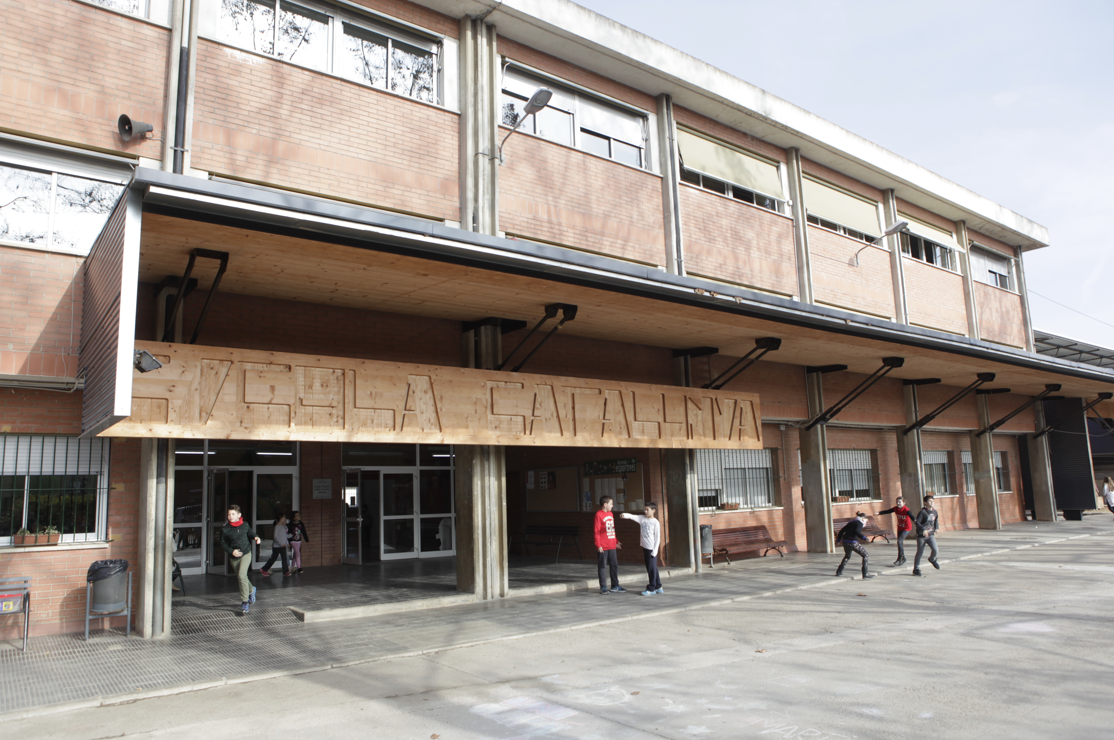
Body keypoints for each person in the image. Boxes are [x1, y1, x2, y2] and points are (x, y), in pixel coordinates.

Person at [220, 504, 260, 614]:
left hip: (246, 553)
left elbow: (250, 533)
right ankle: (252, 590)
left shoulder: (245, 525)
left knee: (242, 575)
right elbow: (223, 544)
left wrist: (256, 537)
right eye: (229, 514)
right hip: (234, 557)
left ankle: (245, 602)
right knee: (241, 577)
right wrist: (232, 551)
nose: (230, 516)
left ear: (239, 515)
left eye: (233, 514)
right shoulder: (225, 529)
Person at [621, 502, 662, 596]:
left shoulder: (655, 522)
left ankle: (652, 588)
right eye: (645, 509)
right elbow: (632, 516)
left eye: (648, 509)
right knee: (652, 568)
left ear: (653, 510)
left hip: (652, 549)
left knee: (651, 569)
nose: (645, 511)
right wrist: (624, 515)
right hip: (645, 547)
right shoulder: (642, 518)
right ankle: (658, 586)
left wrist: (655, 550)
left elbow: (658, 538)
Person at [594, 495, 625, 594]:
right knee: (602, 566)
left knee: (614, 565)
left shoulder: (611, 514)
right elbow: (597, 531)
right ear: (605, 504)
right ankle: (603, 586)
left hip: (611, 545)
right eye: (611, 504)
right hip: (603, 546)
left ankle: (615, 585)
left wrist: (615, 541)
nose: (612, 506)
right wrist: (598, 545)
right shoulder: (598, 515)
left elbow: (612, 529)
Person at [835, 511, 875, 579]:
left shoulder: (851, 522)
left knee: (847, 556)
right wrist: (864, 538)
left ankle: (839, 571)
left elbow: (842, 530)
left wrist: (838, 540)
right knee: (865, 555)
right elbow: (857, 531)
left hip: (845, 542)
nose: (865, 523)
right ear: (863, 518)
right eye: (866, 521)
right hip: (852, 542)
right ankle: (865, 573)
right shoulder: (859, 523)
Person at [878, 496, 914, 566]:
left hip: (906, 528)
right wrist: (879, 513)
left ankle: (900, 558)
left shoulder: (906, 510)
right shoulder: (896, 509)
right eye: (897, 502)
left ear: (904, 503)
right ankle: (903, 558)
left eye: (900, 502)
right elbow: (888, 511)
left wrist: (915, 521)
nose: (898, 503)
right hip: (900, 528)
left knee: (899, 541)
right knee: (899, 543)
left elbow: (911, 515)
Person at [913, 495, 941, 577]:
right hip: (921, 536)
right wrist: (923, 529)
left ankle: (932, 559)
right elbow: (917, 523)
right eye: (929, 501)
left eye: (933, 501)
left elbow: (936, 521)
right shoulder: (923, 512)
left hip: (930, 535)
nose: (932, 502)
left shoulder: (935, 512)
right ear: (925, 502)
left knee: (935, 549)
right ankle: (916, 569)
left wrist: (937, 528)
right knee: (920, 552)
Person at [260, 513, 292, 577]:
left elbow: (284, 536)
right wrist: (281, 543)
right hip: (277, 547)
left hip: (283, 546)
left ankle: (285, 571)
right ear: (281, 519)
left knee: (284, 558)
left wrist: (290, 535)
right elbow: (275, 536)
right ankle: (264, 569)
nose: (285, 519)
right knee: (273, 558)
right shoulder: (277, 527)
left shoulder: (283, 527)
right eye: (284, 517)